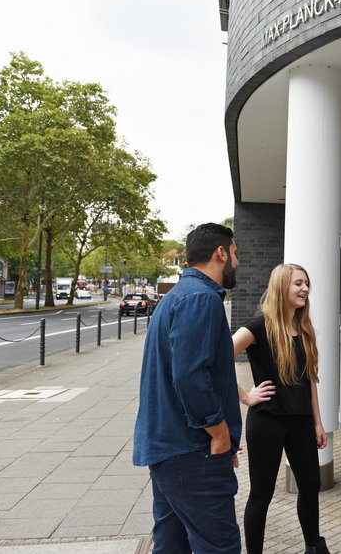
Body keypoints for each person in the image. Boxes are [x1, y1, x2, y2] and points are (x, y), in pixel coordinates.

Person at [132, 223, 242, 554]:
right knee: (219, 546)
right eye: (235, 252)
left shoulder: (175, 298)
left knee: (170, 546)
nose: (238, 261)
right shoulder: (201, 299)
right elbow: (190, 377)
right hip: (192, 452)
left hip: (169, 451)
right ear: (220, 253)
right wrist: (220, 433)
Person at [232, 264, 330, 554]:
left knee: (310, 486)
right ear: (281, 287)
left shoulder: (304, 326)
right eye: (298, 283)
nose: (305, 289)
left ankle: (313, 545)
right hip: (267, 421)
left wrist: (318, 422)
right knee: (262, 495)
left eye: (306, 284)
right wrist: (246, 396)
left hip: (300, 421)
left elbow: (310, 377)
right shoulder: (258, 325)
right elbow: (219, 356)